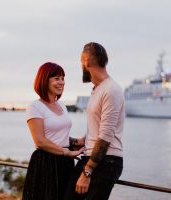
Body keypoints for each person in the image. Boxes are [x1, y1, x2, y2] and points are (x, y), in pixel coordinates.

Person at [64, 42, 125, 200]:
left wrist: (87, 172)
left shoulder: (111, 90)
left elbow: (105, 137)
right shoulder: (97, 89)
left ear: (86, 61)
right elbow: (96, 130)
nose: (81, 67)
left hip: (106, 162)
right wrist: (71, 141)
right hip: (90, 158)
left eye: (81, 62)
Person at [22, 62, 84, 200]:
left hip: (65, 162)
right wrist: (66, 152)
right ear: (44, 80)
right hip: (46, 163)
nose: (61, 82)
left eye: (63, 78)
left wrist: (79, 141)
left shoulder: (62, 105)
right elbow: (40, 141)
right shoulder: (35, 106)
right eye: (56, 78)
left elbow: (59, 137)